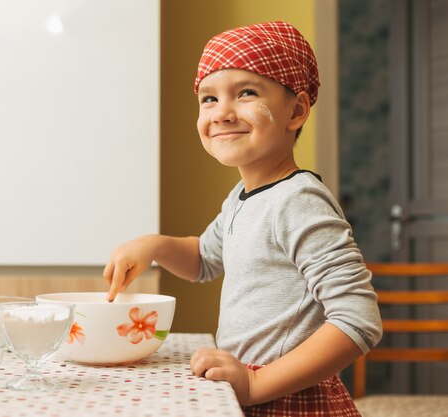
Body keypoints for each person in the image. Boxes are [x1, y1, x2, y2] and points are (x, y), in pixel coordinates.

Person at [103, 21, 382, 416]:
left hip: (290, 401)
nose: (221, 113)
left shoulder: (297, 200)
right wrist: (154, 246)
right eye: (208, 99)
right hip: (252, 392)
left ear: (297, 111)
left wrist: (256, 383)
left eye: (246, 93)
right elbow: (203, 259)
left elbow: (359, 319)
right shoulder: (242, 197)